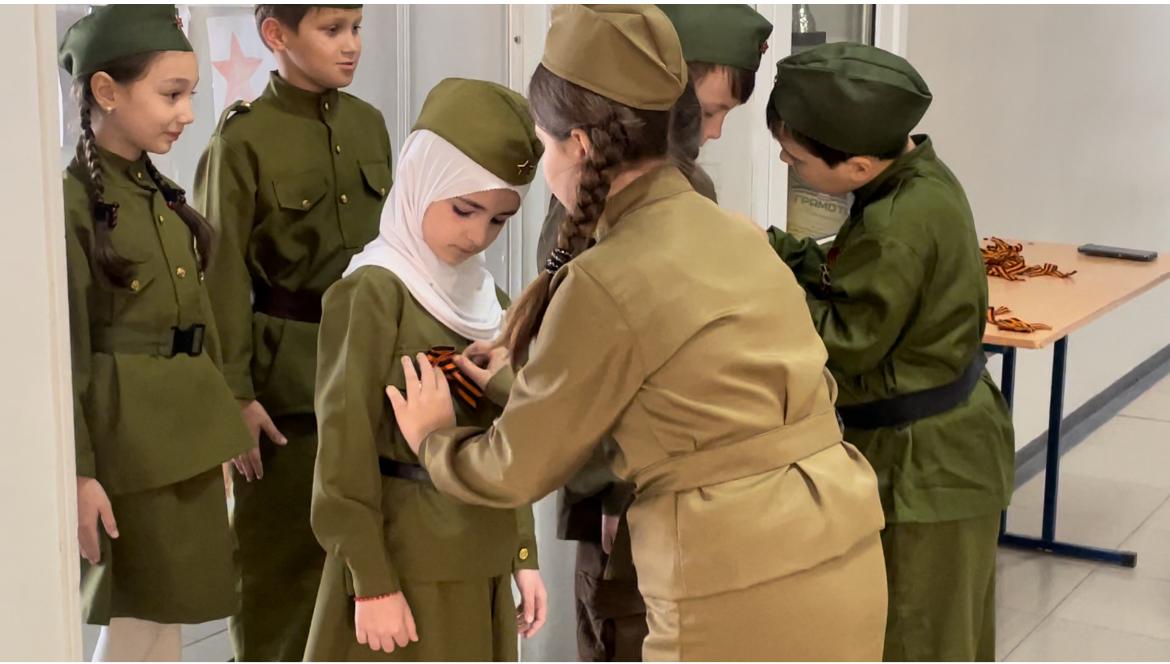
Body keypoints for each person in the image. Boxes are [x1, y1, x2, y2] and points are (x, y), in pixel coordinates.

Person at [387, 6, 888, 661]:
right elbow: (691, 396)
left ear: (579, 145)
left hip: (735, 583)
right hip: (844, 552)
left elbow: (513, 470)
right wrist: (521, 383)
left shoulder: (604, 278)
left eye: (544, 143)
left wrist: (434, 440)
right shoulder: (735, 232)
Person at [762, 42, 1016, 661]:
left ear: (857, 166)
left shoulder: (896, 223)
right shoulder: (917, 179)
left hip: (926, 468)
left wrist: (754, 289)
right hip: (944, 447)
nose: (786, 162)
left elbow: (842, 342)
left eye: (795, 158)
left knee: (917, 637)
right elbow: (850, 273)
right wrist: (771, 247)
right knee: (938, 631)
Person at [541, 7, 772, 660]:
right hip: (627, 496)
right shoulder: (596, 197)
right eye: (712, 110)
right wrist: (613, 491)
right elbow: (588, 371)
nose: (716, 131)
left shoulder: (679, 189)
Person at [305, 78, 547, 661]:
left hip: (482, 556)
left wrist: (522, 552)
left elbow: (505, 439)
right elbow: (342, 453)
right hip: (405, 564)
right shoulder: (373, 293)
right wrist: (372, 581)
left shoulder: (490, 300)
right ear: (421, 179)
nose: (477, 235)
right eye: (464, 209)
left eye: (499, 220)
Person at [193, 4, 393, 660]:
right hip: (285, 391)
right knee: (280, 572)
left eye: (356, 27)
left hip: (371, 375)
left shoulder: (369, 125)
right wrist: (233, 396)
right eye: (331, 30)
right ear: (275, 35)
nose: (351, 45)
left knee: (370, 564)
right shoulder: (242, 141)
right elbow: (220, 277)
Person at [59, 5, 252, 660]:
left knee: (168, 618)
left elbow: (198, 324)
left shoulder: (163, 195)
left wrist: (219, 430)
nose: (188, 113)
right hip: (130, 453)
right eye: (171, 94)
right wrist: (77, 475)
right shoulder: (72, 204)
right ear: (106, 91)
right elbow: (68, 354)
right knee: (138, 621)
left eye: (191, 94)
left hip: (189, 444)